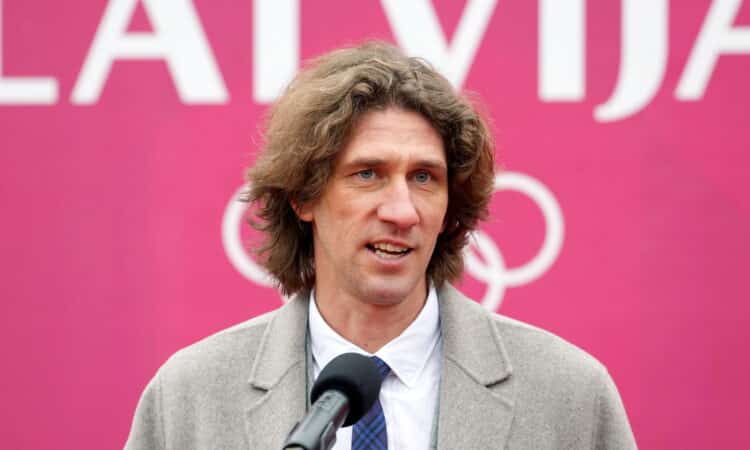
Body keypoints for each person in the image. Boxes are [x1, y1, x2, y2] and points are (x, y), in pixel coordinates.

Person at [125, 41, 637, 449]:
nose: (401, 211)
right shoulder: (190, 397)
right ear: (304, 195)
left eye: (424, 177)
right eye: (367, 174)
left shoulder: (568, 393)